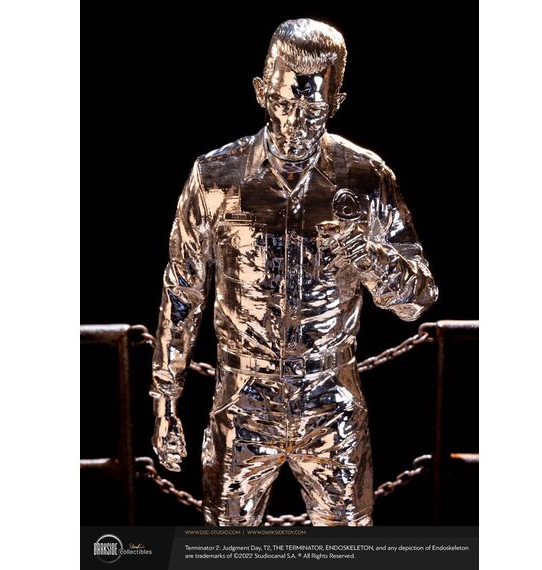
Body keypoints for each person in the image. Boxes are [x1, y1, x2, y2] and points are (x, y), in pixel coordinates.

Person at [150, 18, 438, 526]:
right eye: (286, 103)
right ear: (262, 92)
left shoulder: (365, 176)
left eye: (313, 109)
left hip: (331, 400)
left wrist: (369, 256)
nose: (296, 122)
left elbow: (417, 299)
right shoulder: (216, 176)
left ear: (336, 102)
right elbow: (182, 291)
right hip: (242, 401)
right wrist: (165, 396)